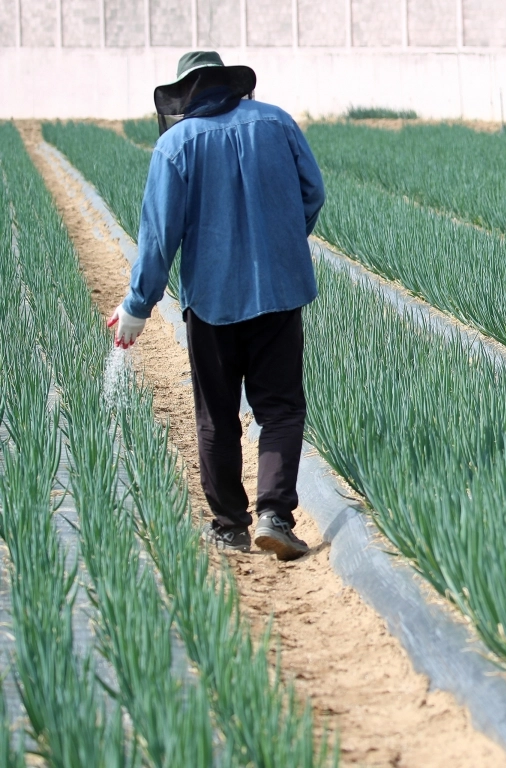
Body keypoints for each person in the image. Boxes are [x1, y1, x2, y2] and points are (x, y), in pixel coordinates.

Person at [108, 50, 325, 561]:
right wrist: (282, 245)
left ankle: (229, 526)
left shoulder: (176, 146)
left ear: (186, 94)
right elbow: (311, 194)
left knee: (217, 415)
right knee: (281, 408)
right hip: (279, 294)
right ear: (230, 84)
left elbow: (160, 238)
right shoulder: (277, 122)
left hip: (211, 302)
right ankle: (275, 515)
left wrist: (138, 306)